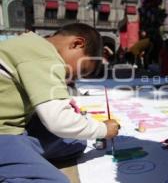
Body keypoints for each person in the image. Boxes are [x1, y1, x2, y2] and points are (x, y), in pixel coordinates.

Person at [0, 23, 120, 182]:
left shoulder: (33, 45)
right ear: (77, 44)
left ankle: (21, 157)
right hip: (5, 133)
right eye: (80, 70)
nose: (72, 78)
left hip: (17, 127)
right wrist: (103, 130)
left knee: (75, 143)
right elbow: (58, 121)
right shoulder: (44, 55)